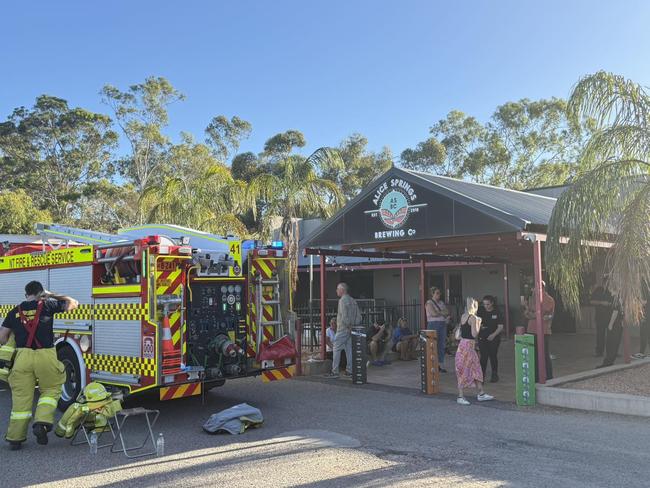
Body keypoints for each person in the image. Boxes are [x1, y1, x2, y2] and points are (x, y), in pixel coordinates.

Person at [0, 281, 79, 450]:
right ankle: (41, 423)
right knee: (51, 389)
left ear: (25, 294)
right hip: (46, 355)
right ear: (40, 293)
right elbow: (73, 303)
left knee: (21, 399)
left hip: (22, 357)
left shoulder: (14, 312)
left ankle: (15, 438)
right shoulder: (48, 305)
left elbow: (2, 337)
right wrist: (52, 295)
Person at [455, 297, 494, 405]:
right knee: (469, 369)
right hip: (469, 346)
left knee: (473, 368)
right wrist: (478, 322)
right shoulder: (474, 318)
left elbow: (462, 332)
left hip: (462, 345)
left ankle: (481, 393)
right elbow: (474, 334)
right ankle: (460, 396)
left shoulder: (463, 316)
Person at [326, 283, 361, 378]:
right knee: (349, 349)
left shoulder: (342, 300)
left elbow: (344, 316)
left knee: (336, 348)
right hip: (351, 329)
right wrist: (353, 326)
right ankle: (349, 370)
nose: (336, 291)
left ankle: (335, 372)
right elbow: (359, 317)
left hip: (343, 329)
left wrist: (348, 325)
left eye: (338, 289)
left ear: (343, 290)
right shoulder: (353, 300)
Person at [523, 281, 555, 381]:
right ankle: (536, 376)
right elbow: (527, 314)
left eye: (534, 288)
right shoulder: (532, 298)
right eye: (532, 288)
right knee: (533, 354)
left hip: (544, 330)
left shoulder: (549, 299)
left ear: (542, 288)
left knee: (545, 354)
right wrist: (530, 312)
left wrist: (533, 314)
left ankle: (549, 376)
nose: (532, 290)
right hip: (531, 329)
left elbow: (543, 315)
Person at [477, 295, 504, 383]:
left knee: (493, 356)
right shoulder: (480, 311)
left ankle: (494, 374)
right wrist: (480, 327)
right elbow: (476, 323)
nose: (486, 306)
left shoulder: (497, 312)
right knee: (483, 357)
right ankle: (481, 376)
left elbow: (500, 327)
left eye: (488, 304)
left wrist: (493, 335)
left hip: (494, 337)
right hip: (482, 337)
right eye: (484, 304)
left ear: (492, 303)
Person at [425, 287, 449, 373]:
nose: (439, 295)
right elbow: (433, 314)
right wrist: (441, 312)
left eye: (439, 293)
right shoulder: (429, 303)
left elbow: (447, 312)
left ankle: (439, 365)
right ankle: (432, 365)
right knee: (432, 344)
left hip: (442, 324)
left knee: (441, 345)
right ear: (432, 294)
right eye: (437, 293)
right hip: (433, 324)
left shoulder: (441, 302)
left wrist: (439, 312)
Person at [597, 299, 624, 368]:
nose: (610, 291)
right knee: (614, 343)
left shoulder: (616, 299)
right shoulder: (620, 299)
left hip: (615, 324)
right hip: (619, 324)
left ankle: (608, 362)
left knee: (610, 343)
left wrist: (610, 324)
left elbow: (615, 311)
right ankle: (610, 361)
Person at [590, 276, 612, 357]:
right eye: (607, 283)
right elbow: (591, 301)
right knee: (600, 335)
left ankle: (612, 351)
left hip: (610, 317)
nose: (609, 285)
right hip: (600, 317)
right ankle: (599, 352)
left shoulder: (611, 291)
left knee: (611, 335)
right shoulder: (598, 290)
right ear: (604, 282)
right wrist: (602, 303)